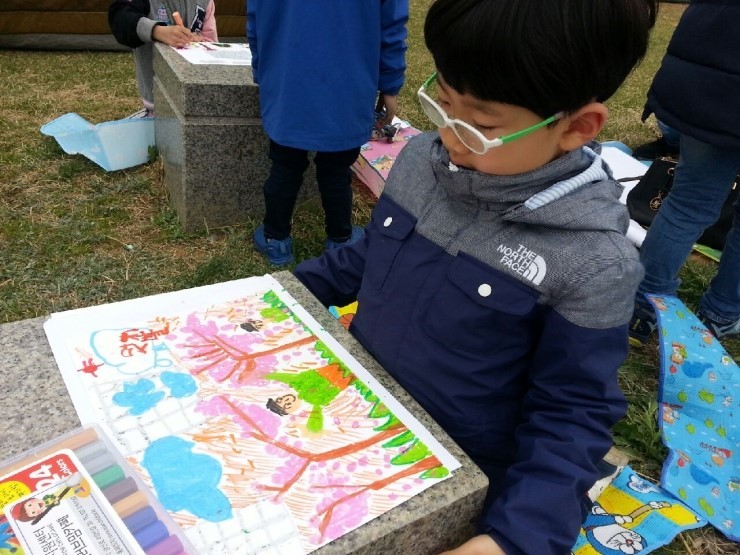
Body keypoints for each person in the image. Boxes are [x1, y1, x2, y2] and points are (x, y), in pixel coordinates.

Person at [293, 1, 656, 553]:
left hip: (451, 471)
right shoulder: (421, 158)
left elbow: (571, 415)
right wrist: (280, 295)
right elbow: (368, 257)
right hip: (352, 407)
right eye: (442, 105)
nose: (450, 138)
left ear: (576, 127)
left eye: (481, 127)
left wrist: (513, 539)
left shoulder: (594, 262)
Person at [247, 1, 409, 266]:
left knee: (284, 165)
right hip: (349, 83)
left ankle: (275, 238)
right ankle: (340, 239)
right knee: (337, 169)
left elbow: (256, 19)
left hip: (288, 79)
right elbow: (391, 24)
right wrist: (390, 84)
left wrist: (261, 70)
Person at [629, 0, 740, 345]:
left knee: (687, 203)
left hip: (709, 85)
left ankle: (643, 309)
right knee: (689, 203)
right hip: (714, 80)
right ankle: (721, 314)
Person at [109, 1, 218, 116]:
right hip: (158, 103)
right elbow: (120, 19)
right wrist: (156, 31)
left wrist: (201, 43)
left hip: (198, 99)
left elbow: (213, 48)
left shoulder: (205, 2)